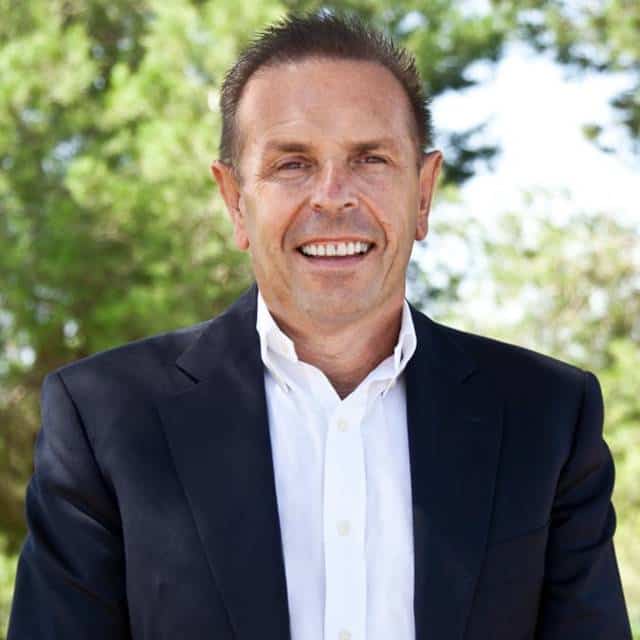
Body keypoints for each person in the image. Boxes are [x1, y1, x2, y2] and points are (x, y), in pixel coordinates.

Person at [8, 11, 632, 640]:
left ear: (423, 194)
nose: (333, 196)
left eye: (370, 159)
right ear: (235, 201)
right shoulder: (104, 420)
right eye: (293, 164)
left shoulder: (547, 417)